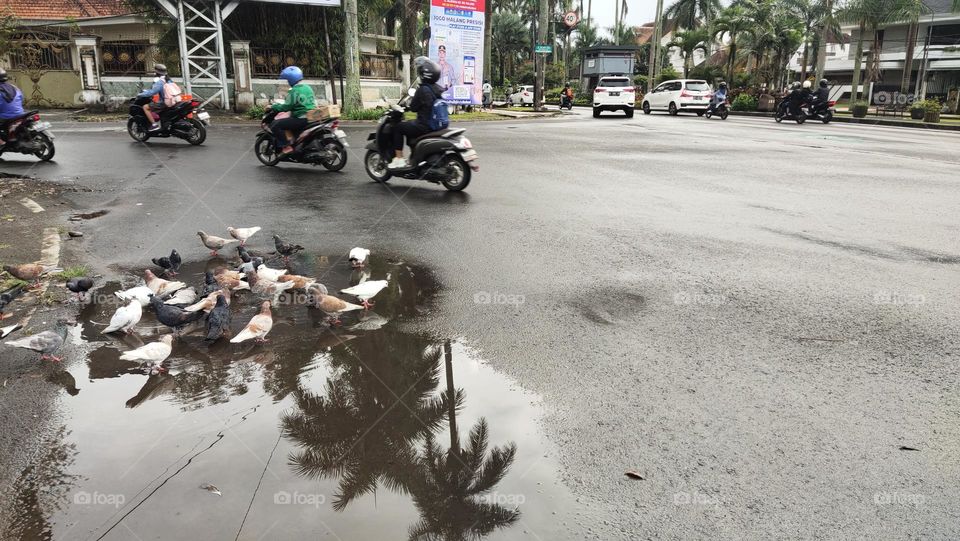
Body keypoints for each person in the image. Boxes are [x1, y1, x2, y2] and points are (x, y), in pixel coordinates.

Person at [388, 57, 444, 170]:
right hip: (436, 125)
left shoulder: (422, 89)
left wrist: (407, 106)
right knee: (409, 125)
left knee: (399, 127)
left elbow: (413, 108)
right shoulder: (437, 88)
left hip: (424, 125)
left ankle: (398, 159)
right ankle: (414, 156)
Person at [271, 65, 315, 156]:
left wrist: (273, 107)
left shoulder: (295, 90)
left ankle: (286, 146)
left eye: (287, 80)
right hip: (311, 116)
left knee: (275, 125)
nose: (287, 82)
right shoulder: (308, 87)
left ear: (291, 79)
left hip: (301, 118)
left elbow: (286, 107)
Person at [136, 64, 171, 132]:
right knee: (156, 104)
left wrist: (140, 94)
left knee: (145, 107)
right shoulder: (168, 79)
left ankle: (154, 125)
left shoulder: (160, 81)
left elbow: (152, 92)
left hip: (165, 102)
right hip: (173, 100)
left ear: (157, 72)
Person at [0, 68, 26, 143]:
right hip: (20, 114)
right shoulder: (13, 87)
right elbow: (21, 98)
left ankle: (1, 142)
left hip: (6, 117)